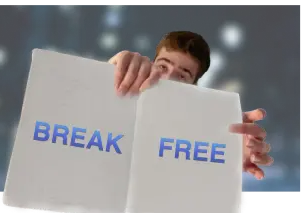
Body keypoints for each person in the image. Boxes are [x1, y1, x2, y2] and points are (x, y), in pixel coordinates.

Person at [108, 31, 273, 181]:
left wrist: (228, 155)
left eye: (181, 75)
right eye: (162, 66)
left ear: (193, 87)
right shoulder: (119, 106)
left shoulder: (197, 142)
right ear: (151, 63)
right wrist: (105, 77)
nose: (168, 78)